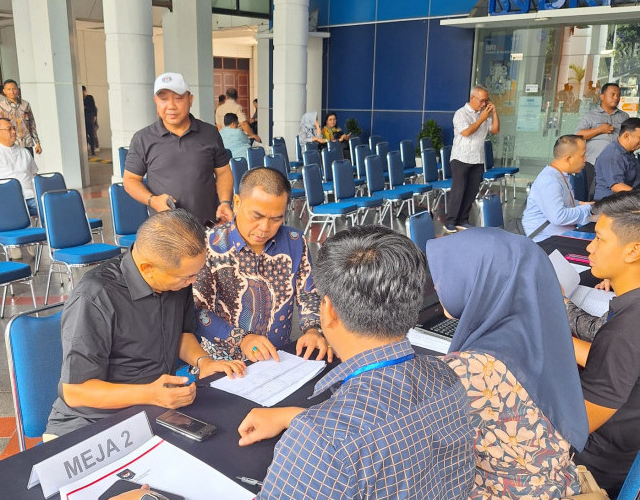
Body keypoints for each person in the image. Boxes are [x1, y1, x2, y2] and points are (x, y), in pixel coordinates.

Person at [237, 225, 474, 499]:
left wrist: (310, 427)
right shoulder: (446, 378)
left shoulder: (322, 441)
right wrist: (298, 417)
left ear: (327, 311)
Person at [44, 210, 246, 437]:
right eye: (187, 278)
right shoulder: (96, 297)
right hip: (90, 422)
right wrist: (150, 394)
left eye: (195, 274)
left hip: (153, 410)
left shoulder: (175, 279)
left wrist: (203, 361)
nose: (193, 282)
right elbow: (75, 392)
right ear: (148, 268)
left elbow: (178, 333)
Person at [427, 228, 589, 498]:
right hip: (557, 484)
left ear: (483, 282)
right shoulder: (542, 334)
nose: (436, 286)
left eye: (448, 275)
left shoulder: (467, 371)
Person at [193, 167, 328, 362]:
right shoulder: (209, 245)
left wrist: (313, 330)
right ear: (237, 203)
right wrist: (242, 339)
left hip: (278, 358)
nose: (265, 228)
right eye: (257, 216)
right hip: (223, 362)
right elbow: (198, 311)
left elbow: (308, 293)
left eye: (276, 219)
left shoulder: (295, 241)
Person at [571, 190, 640, 498]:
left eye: (599, 239)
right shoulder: (629, 312)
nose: (589, 247)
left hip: (598, 467)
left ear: (632, 250)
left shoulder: (626, 331)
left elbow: (576, 425)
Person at [124, 72, 234, 225]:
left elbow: (223, 172)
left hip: (206, 226)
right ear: (156, 101)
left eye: (178, 98)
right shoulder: (143, 138)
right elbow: (130, 180)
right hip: (165, 230)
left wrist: (225, 202)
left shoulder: (210, 133)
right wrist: (153, 200)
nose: (171, 106)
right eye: (163, 99)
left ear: (190, 100)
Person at [444, 85, 499, 233]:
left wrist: (494, 113)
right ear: (472, 98)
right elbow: (467, 132)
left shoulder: (484, 114)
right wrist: (481, 119)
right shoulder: (461, 114)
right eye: (482, 101)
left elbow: (495, 130)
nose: (484, 104)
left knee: (472, 191)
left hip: (478, 158)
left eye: (486, 101)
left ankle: (463, 219)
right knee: (459, 190)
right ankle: (450, 221)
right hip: (461, 157)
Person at [522, 134, 594, 241]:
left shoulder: (560, 175)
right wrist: (589, 209)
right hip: (543, 242)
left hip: (559, 236)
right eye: (582, 155)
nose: (585, 159)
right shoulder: (549, 180)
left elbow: (565, 203)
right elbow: (559, 217)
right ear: (568, 159)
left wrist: (587, 205)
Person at [576, 82, 629, 197]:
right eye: (613, 94)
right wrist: (599, 130)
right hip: (593, 162)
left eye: (618, 95)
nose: (616, 97)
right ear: (602, 96)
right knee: (592, 193)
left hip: (617, 162)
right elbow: (578, 135)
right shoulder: (590, 115)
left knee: (615, 194)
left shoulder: (624, 117)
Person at [0, 117, 39, 215]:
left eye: (14, 128)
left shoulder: (24, 152)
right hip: (9, 200)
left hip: (32, 197)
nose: (13, 132)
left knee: (55, 206)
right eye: (9, 129)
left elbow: (35, 177)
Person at [593, 117, 640, 201]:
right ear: (626, 136)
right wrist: (637, 196)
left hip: (627, 198)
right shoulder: (613, 155)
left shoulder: (628, 152)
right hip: (611, 203)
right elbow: (617, 186)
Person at [0, 79, 42, 156]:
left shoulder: (26, 105)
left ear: (18, 90)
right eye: (9, 89)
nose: (12, 92)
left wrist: (37, 143)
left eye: (14, 89)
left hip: (27, 143)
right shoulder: (1, 106)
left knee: (28, 167)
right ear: (4, 91)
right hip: (11, 145)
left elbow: (32, 124)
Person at [82, 86, 97, 156]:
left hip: (89, 118)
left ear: (84, 91)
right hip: (82, 120)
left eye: (82, 92)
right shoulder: (79, 99)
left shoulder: (89, 98)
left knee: (91, 135)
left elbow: (93, 108)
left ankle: (93, 150)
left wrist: (94, 116)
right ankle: (86, 151)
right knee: (84, 136)